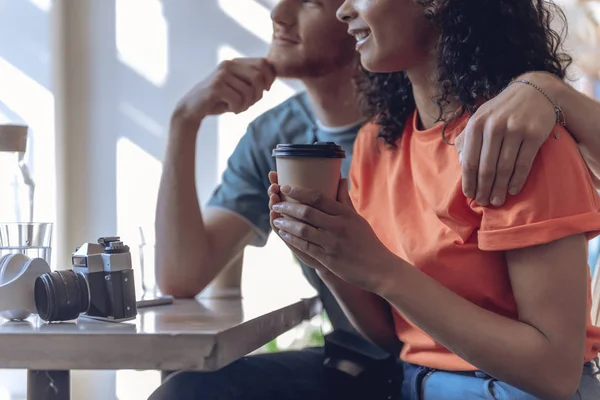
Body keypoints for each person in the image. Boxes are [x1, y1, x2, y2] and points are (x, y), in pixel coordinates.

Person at [268, 0, 600, 399]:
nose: (343, 11)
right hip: (414, 383)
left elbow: (554, 372)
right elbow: (393, 334)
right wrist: (327, 255)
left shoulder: (515, 139)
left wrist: (382, 270)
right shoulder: (376, 143)